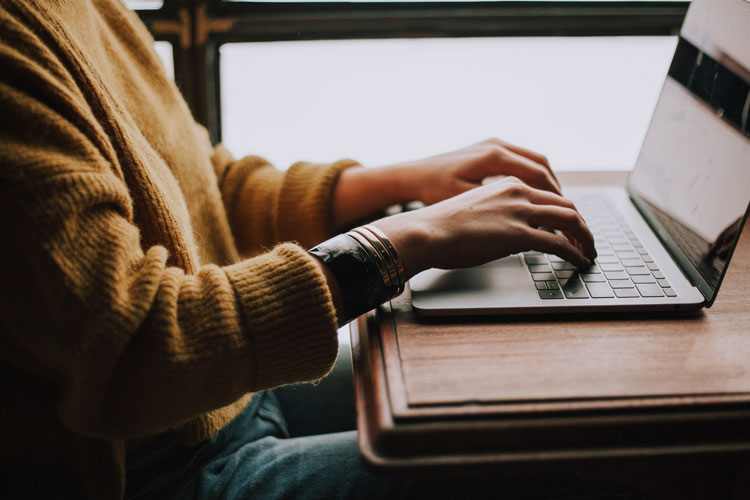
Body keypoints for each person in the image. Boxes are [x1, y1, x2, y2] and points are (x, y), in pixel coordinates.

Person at [0, 1, 596, 499]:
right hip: (152, 471)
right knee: (551, 462)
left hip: (223, 398)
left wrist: (399, 182)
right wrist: (402, 241)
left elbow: (199, 188)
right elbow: (135, 348)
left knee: (529, 400)